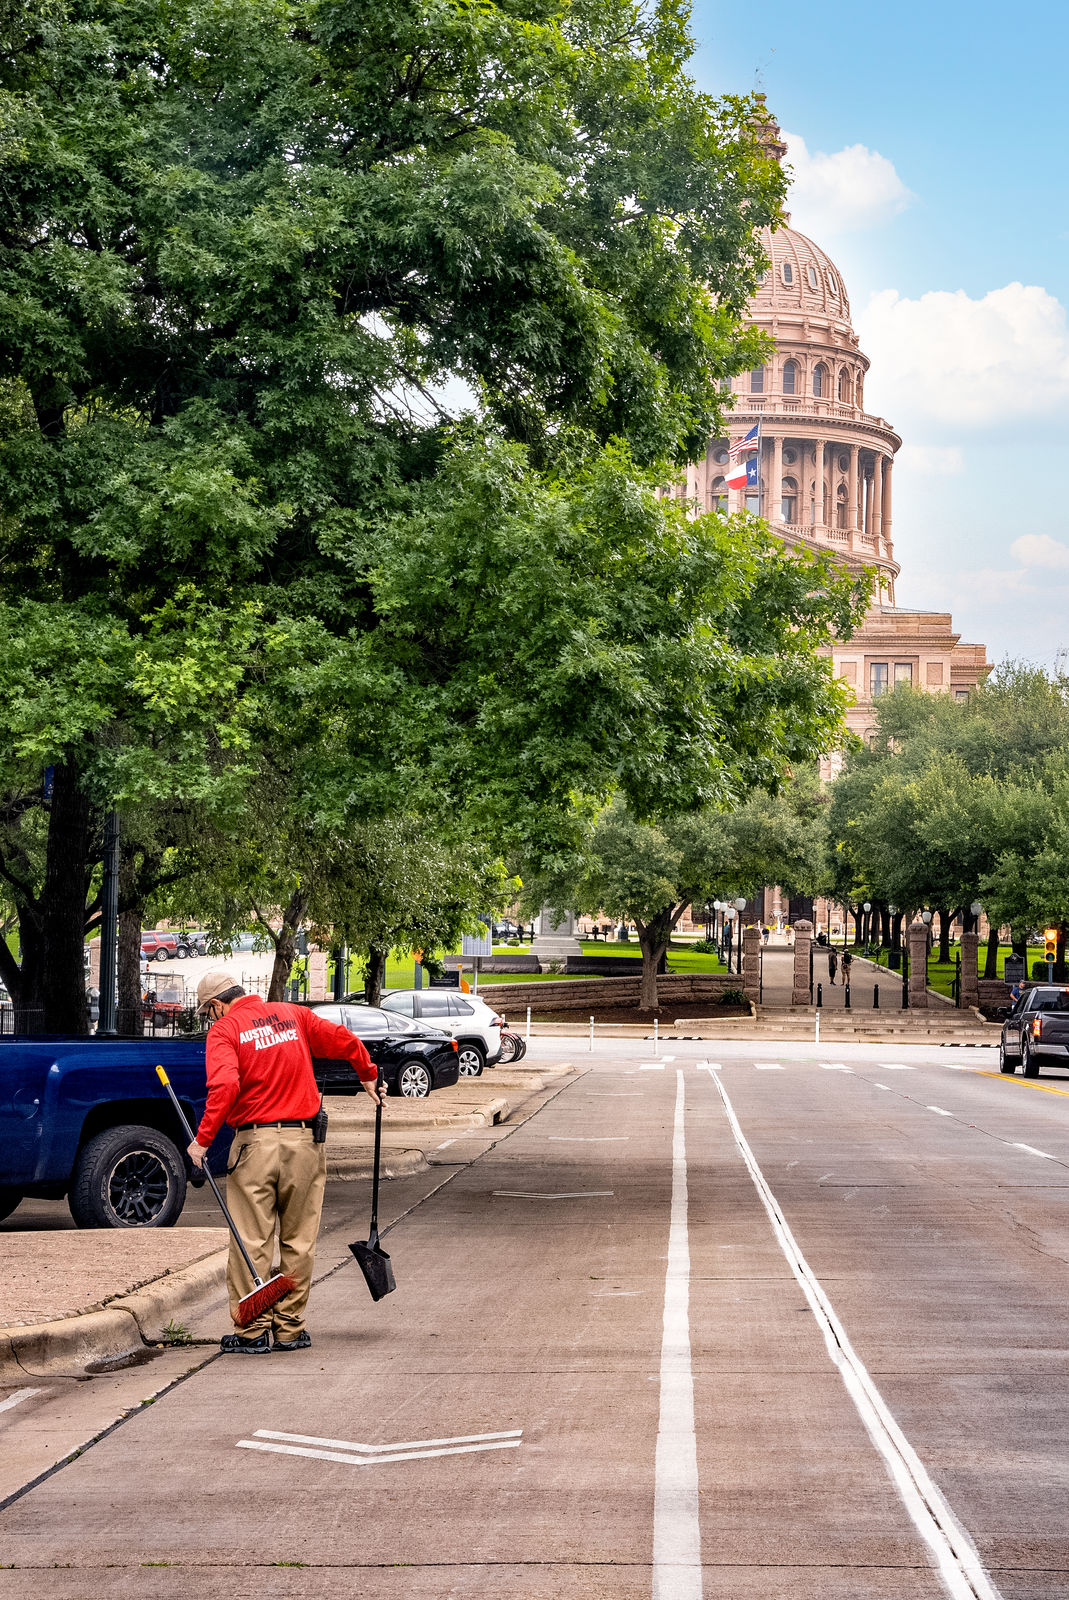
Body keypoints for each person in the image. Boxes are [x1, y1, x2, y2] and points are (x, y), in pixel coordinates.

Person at [186, 970, 385, 1355]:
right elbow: (345, 1040)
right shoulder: (293, 1015)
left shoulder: (225, 1030)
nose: (210, 1020)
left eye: (208, 1013)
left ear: (215, 1005)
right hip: (305, 1144)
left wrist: (202, 1141)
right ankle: (290, 1330)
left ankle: (252, 1332)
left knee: (251, 1239)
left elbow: (226, 1086)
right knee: (299, 1241)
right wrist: (369, 1074)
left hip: (255, 1146)